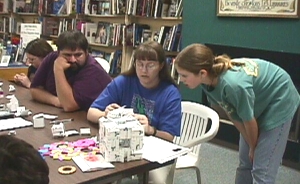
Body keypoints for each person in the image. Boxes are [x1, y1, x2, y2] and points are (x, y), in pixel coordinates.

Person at [174, 43, 300, 184]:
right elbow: (234, 114)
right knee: (246, 162)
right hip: (258, 100)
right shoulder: (207, 82)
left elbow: (249, 121)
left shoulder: (233, 85)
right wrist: (251, 146)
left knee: (262, 170)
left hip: (280, 98)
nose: (181, 79)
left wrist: (254, 147)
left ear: (202, 73)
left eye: (184, 75)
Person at [87, 41, 182, 183]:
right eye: (139, 64)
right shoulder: (123, 81)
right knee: (96, 172)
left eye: (150, 65)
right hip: (120, 144)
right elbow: (91, 113)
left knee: (155, 181)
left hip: (152, 151)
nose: (144, 70)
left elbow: (169, 136)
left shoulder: (170, 93)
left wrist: (150, 129)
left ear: (161, 66)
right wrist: (107, 115)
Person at [30, 31, 112, 112]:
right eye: (67, 55)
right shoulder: (52, 57)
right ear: (58, 53)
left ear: (86, 53)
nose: (73, 60)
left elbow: (69, 106)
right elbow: (34, 89)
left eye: (78, 55)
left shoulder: (93, 70)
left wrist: (58, 69)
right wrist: (55, 101)